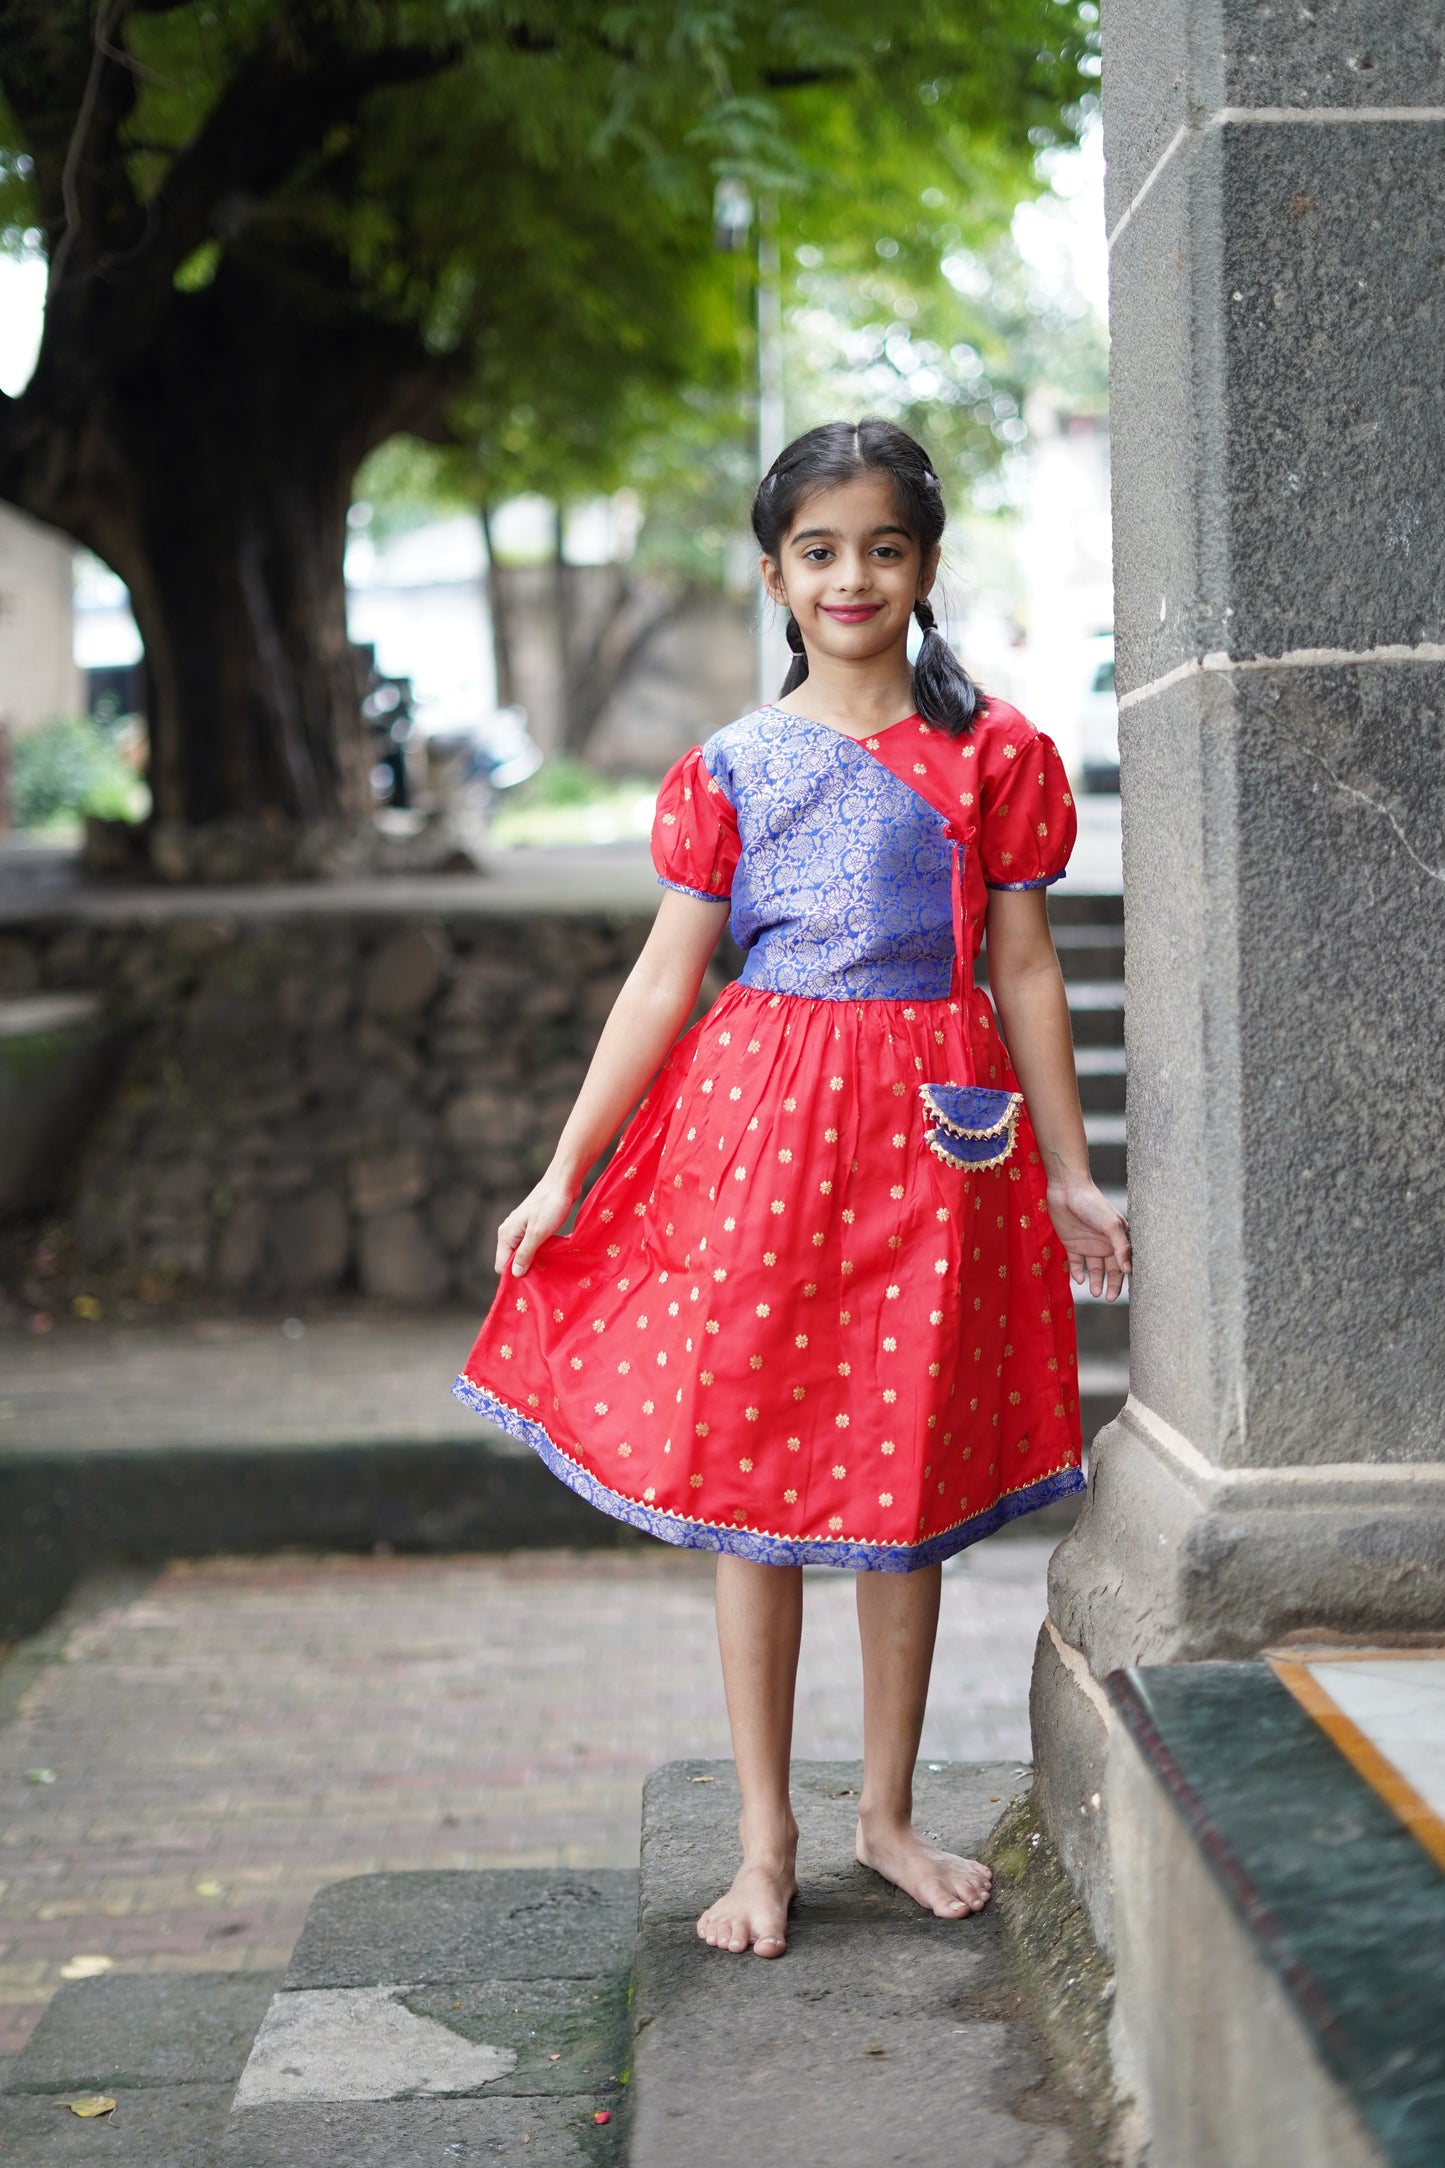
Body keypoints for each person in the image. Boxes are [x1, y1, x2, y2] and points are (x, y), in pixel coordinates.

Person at [454, 418, 1130, 1959]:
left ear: (926, 569)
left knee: (909, 1489)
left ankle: (884, 1817)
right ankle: (763, 1840)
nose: (852, 577)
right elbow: (660, 984)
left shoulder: (995, 756)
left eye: (882, 549)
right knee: (750, 1484)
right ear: (773, 575)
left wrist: (1073, 1171)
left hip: (935, 1142)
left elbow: (1020, 968)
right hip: (754, 1140)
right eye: (818, 551)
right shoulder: (731, 769)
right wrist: (567, 1170)